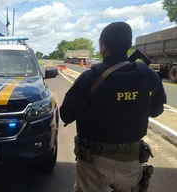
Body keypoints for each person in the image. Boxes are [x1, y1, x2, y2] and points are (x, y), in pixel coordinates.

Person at [59, 22, 167, 192]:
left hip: (93, 162)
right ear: (129, 45)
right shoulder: (148, 75)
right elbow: (157, 111)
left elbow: (66, 115)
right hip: (131, 162)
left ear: (103, 46)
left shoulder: (89, 77)